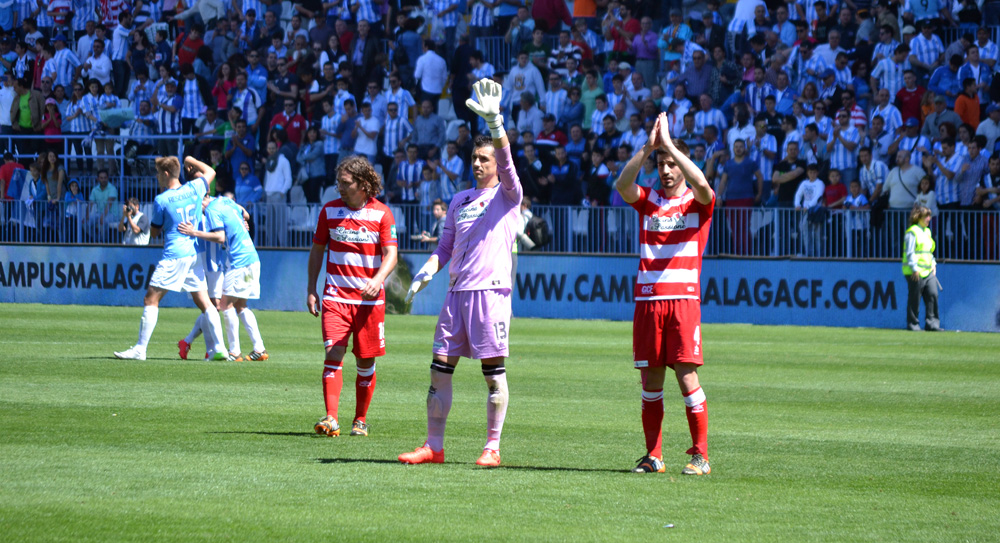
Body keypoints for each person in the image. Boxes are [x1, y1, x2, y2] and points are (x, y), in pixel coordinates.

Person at [398, 78, 523, 468]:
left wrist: (495, 126)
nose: (478, 164)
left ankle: (492, 447)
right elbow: (445, 247)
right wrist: (427, 271)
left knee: (492, 374)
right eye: (475, 159)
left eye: (484, 159)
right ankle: (434, 446)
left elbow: (507, 164)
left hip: (490, 293)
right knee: (439, 371)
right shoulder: (459, 200)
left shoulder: (507, 195)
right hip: (456, 295)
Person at [612, 112, 714, 476]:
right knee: (650, 382)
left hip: (683, 302)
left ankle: (700, 456)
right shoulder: (648, 199)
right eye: (661, 164)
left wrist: (670, 144)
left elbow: (703, 183)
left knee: (687, 378)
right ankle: (653, 456)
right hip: (647, 302)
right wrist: (648, 147)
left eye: (672, 163)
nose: (667, 170)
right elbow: (622, 184)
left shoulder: (696, 203)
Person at [307, 156, 398, 438]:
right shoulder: (329, 211)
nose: (340, 189)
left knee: (366, 362)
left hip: (370, 303)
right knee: (333, 352)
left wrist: (377, 279)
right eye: (338, 183)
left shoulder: (382, 214)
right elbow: (317, 250)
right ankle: (331, 418)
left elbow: (391, 255)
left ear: (363, 184)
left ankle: (360, 419)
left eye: (345, 184)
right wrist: (311, 288)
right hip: (335, 298)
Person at [114, 156, 226, 361]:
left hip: (175, 255)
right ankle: (220, 348)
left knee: (151, 299)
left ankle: (140, 349)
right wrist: (190, 159)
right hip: (194, 254)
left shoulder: (162, 199)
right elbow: (211, 171)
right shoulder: (194, 188)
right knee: (205, 303)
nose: (157, 177)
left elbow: (154, 233)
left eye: (158, 173)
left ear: (166, 174)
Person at [179, 193, 268, 361]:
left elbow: (220, 237)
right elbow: (246, 214)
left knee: (225, 305)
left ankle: (234, 352)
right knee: (241, 305)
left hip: (239, 262)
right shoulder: (226, 201)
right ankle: (259, 349)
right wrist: (239, 224)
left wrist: (194, 232)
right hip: (252, 258)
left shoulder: (212, 210)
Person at [902, 204, 941, 331]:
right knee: (915, 298)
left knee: (933, 294)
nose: (929, 218)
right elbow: (910, 252)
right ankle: (913, 324)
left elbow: (929, 251)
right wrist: (914, 268)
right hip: (915, 271)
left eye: (929, 216)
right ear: (918, 217)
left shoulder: (927, 231)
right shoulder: (912, 232)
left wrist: (933, 263)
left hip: (928, 270)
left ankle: (932, 323)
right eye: (926, 216)